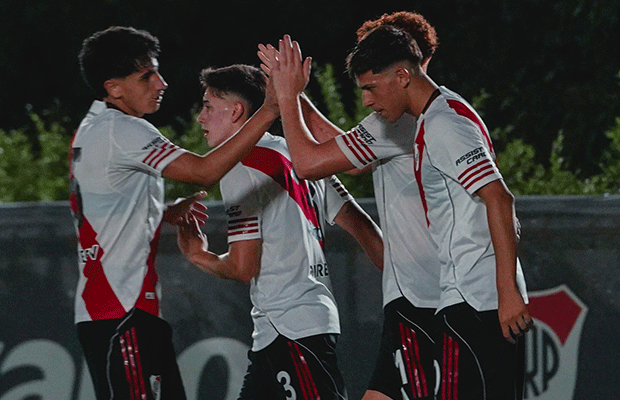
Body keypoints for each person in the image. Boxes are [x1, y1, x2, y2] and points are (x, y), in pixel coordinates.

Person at [71, 26, 279, 400]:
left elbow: (103, 208)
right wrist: (269, 111)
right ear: (113, 87)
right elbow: (204, 171)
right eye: (146, 76)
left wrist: (163, 212)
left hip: (111, 311)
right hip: (122, 312)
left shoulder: (92, 126)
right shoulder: (123, 129)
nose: (161, 82)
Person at [258, 12, 440, 400]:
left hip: (425, 295)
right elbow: (346, 148)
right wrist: (298, 98)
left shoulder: (402, 122)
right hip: (424, 291)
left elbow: (311, 162)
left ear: (404, 64)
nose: (367, 95)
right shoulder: (425, 115)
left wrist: (287, 97)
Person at [345, 25, 532, 399]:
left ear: (403, 75)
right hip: (475, 296)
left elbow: (499, 198)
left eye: (371, 87)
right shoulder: (443, 112)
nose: (366, 100)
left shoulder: (443, 123)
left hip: (474, 299)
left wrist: (506, 290)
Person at [175, 64, 383, 400]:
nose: (201, 117)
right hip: (284, 329)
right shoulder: (299, 154)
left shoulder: (240, 165)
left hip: (292, 329)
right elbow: (362, 226)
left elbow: (243, 267)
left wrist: (199, 255)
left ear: (236, 111)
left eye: (209, 106)